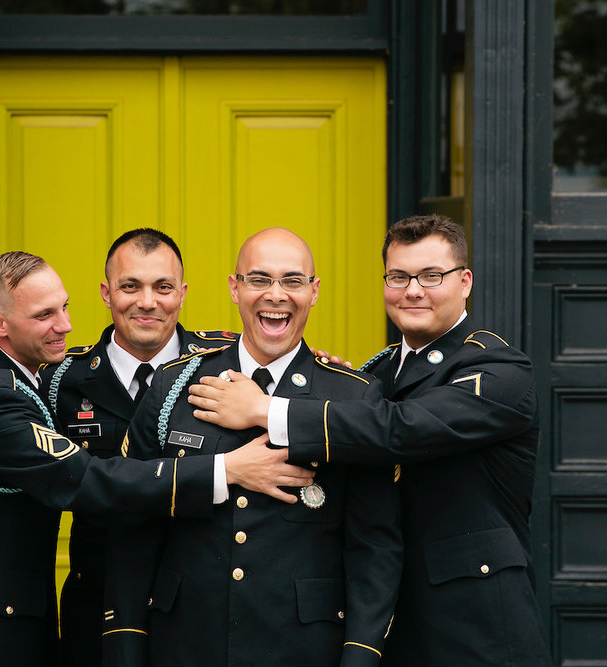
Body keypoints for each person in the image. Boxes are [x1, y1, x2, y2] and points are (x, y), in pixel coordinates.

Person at [0, 251, 314, 666]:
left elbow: (289, 360)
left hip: (193, 606)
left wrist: (316, 368)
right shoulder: (18, 388)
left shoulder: (217, 359)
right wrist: (228, 469)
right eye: (44, 316)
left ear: (183, 292)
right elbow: (84, 478)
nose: (65, 326)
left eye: (64, 308)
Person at [188, 214, 553, 666]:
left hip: (476, 629)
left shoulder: (501, 371)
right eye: (398, 276)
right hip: (384, 626)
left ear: (465, 282)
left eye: (431, 276)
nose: (413, 290)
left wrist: (266, 408)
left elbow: (402, 429)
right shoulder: (374, 375)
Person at [103, 228, 402, 666]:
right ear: (234, 287)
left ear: (314, 292)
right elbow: (132, 532)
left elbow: (375, 549)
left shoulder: (352, 398)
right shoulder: (174, 385)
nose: (275, 295)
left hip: (302, 649)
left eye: (293, 281)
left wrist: (360, 657)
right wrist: (125, 646)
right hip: (185, 644)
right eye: (259, 279)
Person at [39, 229, 237, 667]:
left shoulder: (225, 365)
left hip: (197, 604)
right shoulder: (58, 381)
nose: (147, 302)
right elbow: (26, 475)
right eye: (131, 286)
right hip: (96, 603)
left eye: (162, 287)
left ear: (182, 294)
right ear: (106, 294)